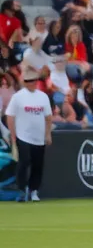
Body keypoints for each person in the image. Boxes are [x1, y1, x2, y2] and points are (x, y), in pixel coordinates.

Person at [5, 65, 53, 202]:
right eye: (29, 81)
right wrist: (13, 134)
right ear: (25, 82)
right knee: (24, 162)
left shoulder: (43, 97)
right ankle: (21, 190)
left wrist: (48, 134)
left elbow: (48, 117)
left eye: (34, 80)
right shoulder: (18, 97)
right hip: (23, 136)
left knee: (38, 165)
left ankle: (34, 190)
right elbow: (10, 116)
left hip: (39, 137)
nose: (33, 83)